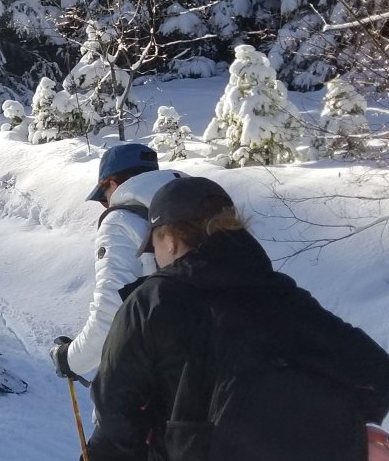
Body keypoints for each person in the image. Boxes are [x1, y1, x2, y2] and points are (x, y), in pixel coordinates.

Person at [87, 176, 389, 460]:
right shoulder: (279, 293)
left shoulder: (153, 302)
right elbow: (374, 371)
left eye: (153, 244)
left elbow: (115, 417)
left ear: (170, 240)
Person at [48, 143, 185, 382]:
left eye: (103, 198)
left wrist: (71, 359)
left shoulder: (120, 221)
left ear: (112, 183)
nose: (107, 204)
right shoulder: (194, 206)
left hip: (166, 373)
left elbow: (111, 313)